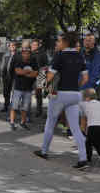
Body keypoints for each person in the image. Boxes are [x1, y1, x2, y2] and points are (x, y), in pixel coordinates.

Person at [34, 32, 90, 169]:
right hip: (75, 94)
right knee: (75, 128)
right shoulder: (80, 56)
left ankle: (44, 151)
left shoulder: (59, 56)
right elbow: (85, 79)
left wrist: (43, 81)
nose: (57, 44)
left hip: (59, 94)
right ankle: (83, 159)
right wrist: (75, 87)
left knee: (50, 122)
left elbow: (49, 77)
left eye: (59, 41)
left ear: (65, 42)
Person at [80, 88, 100, 166]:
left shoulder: (84, 104)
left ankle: (99, 155)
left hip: (93, 127)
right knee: (98, 143)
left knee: (89, 143)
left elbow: (78, 106)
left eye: (84, 97)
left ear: (87, 98)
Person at [9, 47, 38, 130]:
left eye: (28, 53)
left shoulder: (33, 62)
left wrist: (24, 72)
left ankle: (23, 122)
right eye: (24, 53)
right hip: (18, 88)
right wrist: (29, 72)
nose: (26, 54)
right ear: (22, 54)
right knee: (14, 106)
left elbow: (36, 73)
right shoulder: (19, 61)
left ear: (30, 54)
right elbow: (18, 71)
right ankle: (12, 122)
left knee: (25, 108)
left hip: (28, 89)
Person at [31, 39, 48, 118]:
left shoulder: (42, 54)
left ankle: (39, 110)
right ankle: (26, 109)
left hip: (40, 75)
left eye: (35, 45)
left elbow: (46, 66)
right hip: (29, 75)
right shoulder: (29, 53)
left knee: (38, 94)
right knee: (27, 93)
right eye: (32, 45)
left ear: (38, 46)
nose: (33, 46)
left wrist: (42, 76)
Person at [1, 41, 18, 113]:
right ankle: (6, 106)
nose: (12, 47)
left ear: (16, 46)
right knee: (6, 92)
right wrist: (2, 75)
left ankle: (14, 108)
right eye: (11, 46)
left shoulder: (18, 55)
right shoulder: (6, 55)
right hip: (6, 77)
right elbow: (2, 66)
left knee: (15, 93)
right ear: (9, 47)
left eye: (14, 45)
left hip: (15, 77)